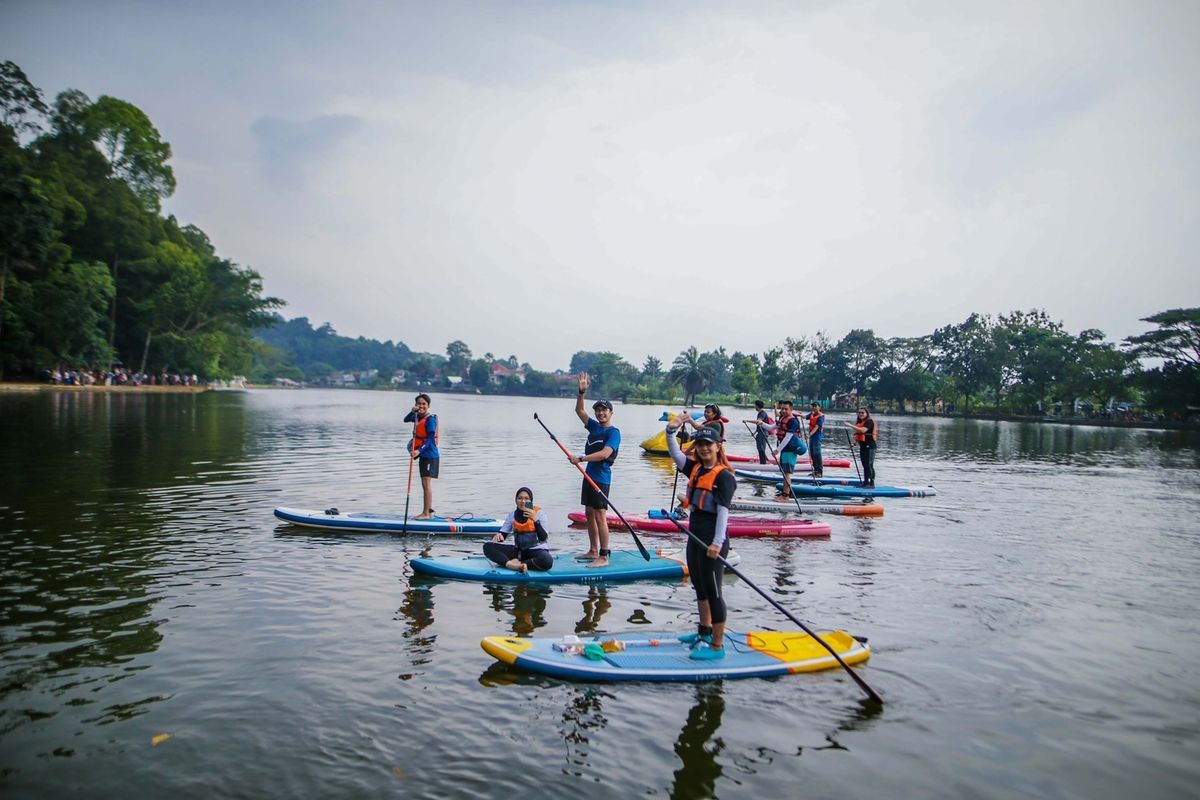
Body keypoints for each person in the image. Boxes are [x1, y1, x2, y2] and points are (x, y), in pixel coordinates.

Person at [665, 417, 736, 661]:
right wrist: (670, 431)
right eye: (700, 444)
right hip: (694, 535)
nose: (704, 448)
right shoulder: (696, 468)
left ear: (717, 446)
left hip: (712, 540)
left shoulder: (724, 477)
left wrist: (717, 543)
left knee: (714, 591)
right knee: (699, 586)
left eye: (708, 444)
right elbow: (675, 454)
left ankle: (717, 646)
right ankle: (704, 633)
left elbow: (724, 513)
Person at [569, 373, 620, 569]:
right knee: (589, 513)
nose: (600, 413)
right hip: (588, 476)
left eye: (604, 410)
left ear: (610, 412)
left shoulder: (613, 432)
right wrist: (581, 392)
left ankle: (604, 555)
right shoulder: (594, 428)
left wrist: (581, 458)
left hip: (601, 479)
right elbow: (579, 410)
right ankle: (592, 550)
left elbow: (605, 454)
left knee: (600, 515)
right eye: (598, 410)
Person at [483, 487, 553, 573]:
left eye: (526, 498)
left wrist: (535, 520)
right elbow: (503, 535)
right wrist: (499, 536)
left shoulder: (540, 514)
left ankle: (519, 564)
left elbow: (543, 538)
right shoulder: (512, 515)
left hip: (537, 551)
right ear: (516, 500)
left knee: (547, 560)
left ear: (531, 500)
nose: (523, 501)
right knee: (487, 546)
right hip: (519, 552)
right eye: (520, 498)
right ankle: (511, 565)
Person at [760, 399, 806, 502]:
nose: (784, 411)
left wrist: (777, 450)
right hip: (785, 448)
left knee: (787, 473)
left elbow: (788, 437)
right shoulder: (782, 418)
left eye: (786, 409)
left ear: (791, 410)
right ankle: (784, 495)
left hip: (790, 448)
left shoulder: (793, 421)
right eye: (782, 409)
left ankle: (786, 496)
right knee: (785, 472)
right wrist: (761, 423)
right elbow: (771, 427)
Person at [403, 393, 439, 519]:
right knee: (424, 483)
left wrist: (419, 451)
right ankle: (427, 512)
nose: (421, 406)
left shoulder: (430, 420)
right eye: (419, 403)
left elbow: (430, 440)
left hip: (430, 454)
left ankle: (426, 513)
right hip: (423, 454)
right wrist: (412, 412)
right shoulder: (417, 416)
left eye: (424, 404)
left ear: (428, 406)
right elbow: (406, 419)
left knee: (426, 483)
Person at [845, 408, 877, 487]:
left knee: (869, 465)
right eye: (859, 413)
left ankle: (871, 483)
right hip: (863, 446)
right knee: (865, 465)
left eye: (863, 413)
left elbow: (863, 431)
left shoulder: (869, 422)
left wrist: (850, 425)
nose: (861, 414)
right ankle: (866, 482)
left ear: (866, 413)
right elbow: (858, 435)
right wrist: (854, 444)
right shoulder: (860, 422)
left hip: (870, 446)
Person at [805, 401, 825, 477]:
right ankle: (815, 471)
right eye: (813, 406)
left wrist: (809, 435)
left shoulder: (821, 416)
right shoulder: (811, 414)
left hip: (817, 437)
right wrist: (795, 413)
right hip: (812, 437)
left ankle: (819, 472)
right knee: (812, 453)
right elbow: (804, 417)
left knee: (817, 453)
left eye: (815, 406)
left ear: (819, 407)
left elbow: (817, 427)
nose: (814, 407)